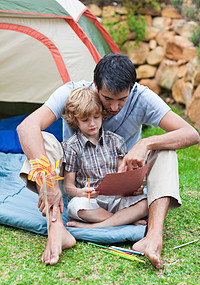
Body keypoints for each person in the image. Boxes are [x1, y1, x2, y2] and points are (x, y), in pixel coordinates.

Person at [17, 53, 200, 268]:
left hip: (122, 190)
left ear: (132, 88)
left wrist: (146, 144)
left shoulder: (142, 97)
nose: (114, 107)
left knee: (166, 151)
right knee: (43, 141)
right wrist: (48, 179)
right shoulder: (73, 93)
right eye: (107, 99)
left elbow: (191, 134)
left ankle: (153, 237)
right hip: (83, 190)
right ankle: (56, 227)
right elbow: (27, 127)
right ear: (96, 86)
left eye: (122, 99)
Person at [62, 86, 148, 227]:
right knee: (75, 207)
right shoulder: (72, 147)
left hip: (116, 199)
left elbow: (123, 176)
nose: (92, 124)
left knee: (146, 202)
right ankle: (124, 220)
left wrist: (134, 188)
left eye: (96, 117)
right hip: (91, 202)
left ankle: (94, 226)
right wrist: (80, 192)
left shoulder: (116, 141)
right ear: (75, 120)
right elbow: (68, 186)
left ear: (102, 115)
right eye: (85, 120)